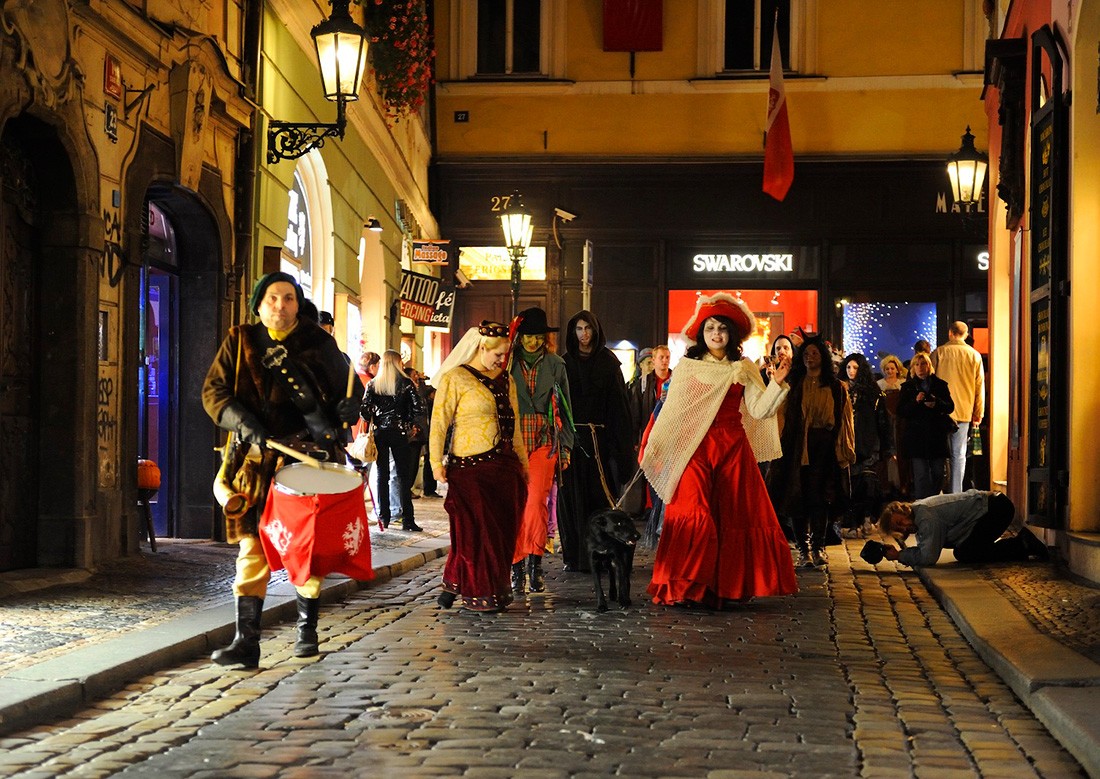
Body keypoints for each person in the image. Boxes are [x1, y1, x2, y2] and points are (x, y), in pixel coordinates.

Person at [201, 272, 363, 667]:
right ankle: (246, 642)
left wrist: (349, 408)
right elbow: (213, 392)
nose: (280, 305)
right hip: (255, 462)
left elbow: (350, 388)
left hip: (304, 459)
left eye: (288, 298)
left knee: (304, 548)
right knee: (251, 551)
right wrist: (242, 420)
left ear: (296, 303)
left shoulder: (318, 343)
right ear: (259, 304)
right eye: (272, 298)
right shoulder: (239, 341)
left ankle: (307, 631)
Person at [641, 293, 797, 607]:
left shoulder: (744, 368)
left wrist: (777, 385)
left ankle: (721, 587)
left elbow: (759, 410)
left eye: (722, 328)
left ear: (732, 334)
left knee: (731, 517)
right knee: (695, 513)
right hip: (695, 448)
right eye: (710, 327)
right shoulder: (687, 366)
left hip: (732, 448)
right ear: (702, 332)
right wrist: (656, 445)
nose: (716, 334)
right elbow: (674, 412)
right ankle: (687, 585)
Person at [430, 321, 528, 612]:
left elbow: (516, 426)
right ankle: (483, 593)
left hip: (504, 467)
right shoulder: (455, 378)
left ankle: (456, 583)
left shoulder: (506, 379)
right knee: (477, 533)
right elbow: (439, 422)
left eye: (505, 354)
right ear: (481, 347)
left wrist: (522, 463)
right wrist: (436, 462)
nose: (502, 359)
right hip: (470, 468)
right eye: (497, 354)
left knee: (502, 534)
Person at [766, 334, 856, 569]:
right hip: (797, 447)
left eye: (814, 353)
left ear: (822, 357)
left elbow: (844, 419)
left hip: (824, 448)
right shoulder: (794, 383)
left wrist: (844, 449)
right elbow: (781, 413)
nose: (810, 358)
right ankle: (803, 549)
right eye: (806, 354)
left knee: (820, 498)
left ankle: (819, 547)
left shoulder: (836, 387)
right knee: (798, 497)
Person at [559, 310, 635, 573]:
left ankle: (604, 553)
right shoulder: (564, 364)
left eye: (588, 328)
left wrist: (622, 448)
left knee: (600, 498)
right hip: (573, 441)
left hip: (601, 443)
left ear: (596, 331)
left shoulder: (609, 364)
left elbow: (620, 408)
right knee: (572, 500)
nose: (584, 334)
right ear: (573, 332)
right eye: (579, 329)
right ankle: (576, 555)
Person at [508, 307, 574, 595]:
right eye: (528, 337)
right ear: (519, 337)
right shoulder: (506, 363)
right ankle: (516, 567)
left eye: (538, 337)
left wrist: (567, 445)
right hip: (512, 439)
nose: (532, 342)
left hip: (545, 439)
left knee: (536, 502)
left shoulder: (556, 364)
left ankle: (534, 564)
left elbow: (567, 407)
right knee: (515, 504)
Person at [876, 491, 1046, 567]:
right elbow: (925, 547)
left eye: (900, 522)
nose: (903, 526)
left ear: (904, 510)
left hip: (996, 509)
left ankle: (1021, 544)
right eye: (897, 528)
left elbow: (928, 556)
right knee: (965, 550)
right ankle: (1020, 544)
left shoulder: (926, 518)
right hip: (991, 508)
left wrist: (899, 555)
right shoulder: (919, 515)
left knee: (967, 553)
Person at [360, 350, 423, 532]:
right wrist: (409, 423)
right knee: (403, 476)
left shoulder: (373, 384)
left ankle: (384, 516)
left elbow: (364, 412)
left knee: (382, 475)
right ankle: (408, 519)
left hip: (381, 432)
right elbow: (418, 408)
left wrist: (375, 413)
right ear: (397, 363)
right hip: (400, 432)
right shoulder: (406, 384)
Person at [841, 353, 894, 535]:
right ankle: (854, 522)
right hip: (848, 443)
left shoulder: (873, 393)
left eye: (855, 368)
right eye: (848, 367)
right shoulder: (841, 389)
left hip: (868, 443)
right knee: (852, 484)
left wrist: (887, 446)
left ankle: (866, 518)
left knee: (867, 482)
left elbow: (883, 421)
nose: (851, 371)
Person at [931, 321, 985, 494]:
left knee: (939, 454)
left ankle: (937, 493)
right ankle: (956, 493)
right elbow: (979, 386)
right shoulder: (974, 355)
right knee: (959, 455)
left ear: (950, 333)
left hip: (939, 412)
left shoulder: (939, 353)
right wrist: (978, 412)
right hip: (963, 411)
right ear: (966, 334)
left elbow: (930, 381)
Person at [897, 351, 955, 499]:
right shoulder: (908, 387)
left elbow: (950, 407)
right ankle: (923, 504)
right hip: (917, 436)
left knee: (938, 473)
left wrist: (936, 403)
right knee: (921, 474)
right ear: (913, 368)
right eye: (917, 364)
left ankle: (933, 500)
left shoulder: (940, 385)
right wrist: (916, 402)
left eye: (923, 364)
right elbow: (901, 411)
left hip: (936, 435)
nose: (920, 367)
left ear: (929, 366)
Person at [876, 354, 909, 497]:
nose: (889, 371)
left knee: (902, 452)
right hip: (885, 423)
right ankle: (886, 485)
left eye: (892, 368)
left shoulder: (903, 384)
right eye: (887, 369)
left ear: (897, 369)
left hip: (901, 423)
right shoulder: (879, 385)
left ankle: (903, 484)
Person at [628, 345, 672, 447]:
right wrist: (635, 439)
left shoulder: (676, 380)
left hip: (670, 433)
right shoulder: (643, 383)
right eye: (661, 357)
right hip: (649, 432)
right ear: (654, 360)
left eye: (667, 357)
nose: (665, 360)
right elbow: (636, 411)